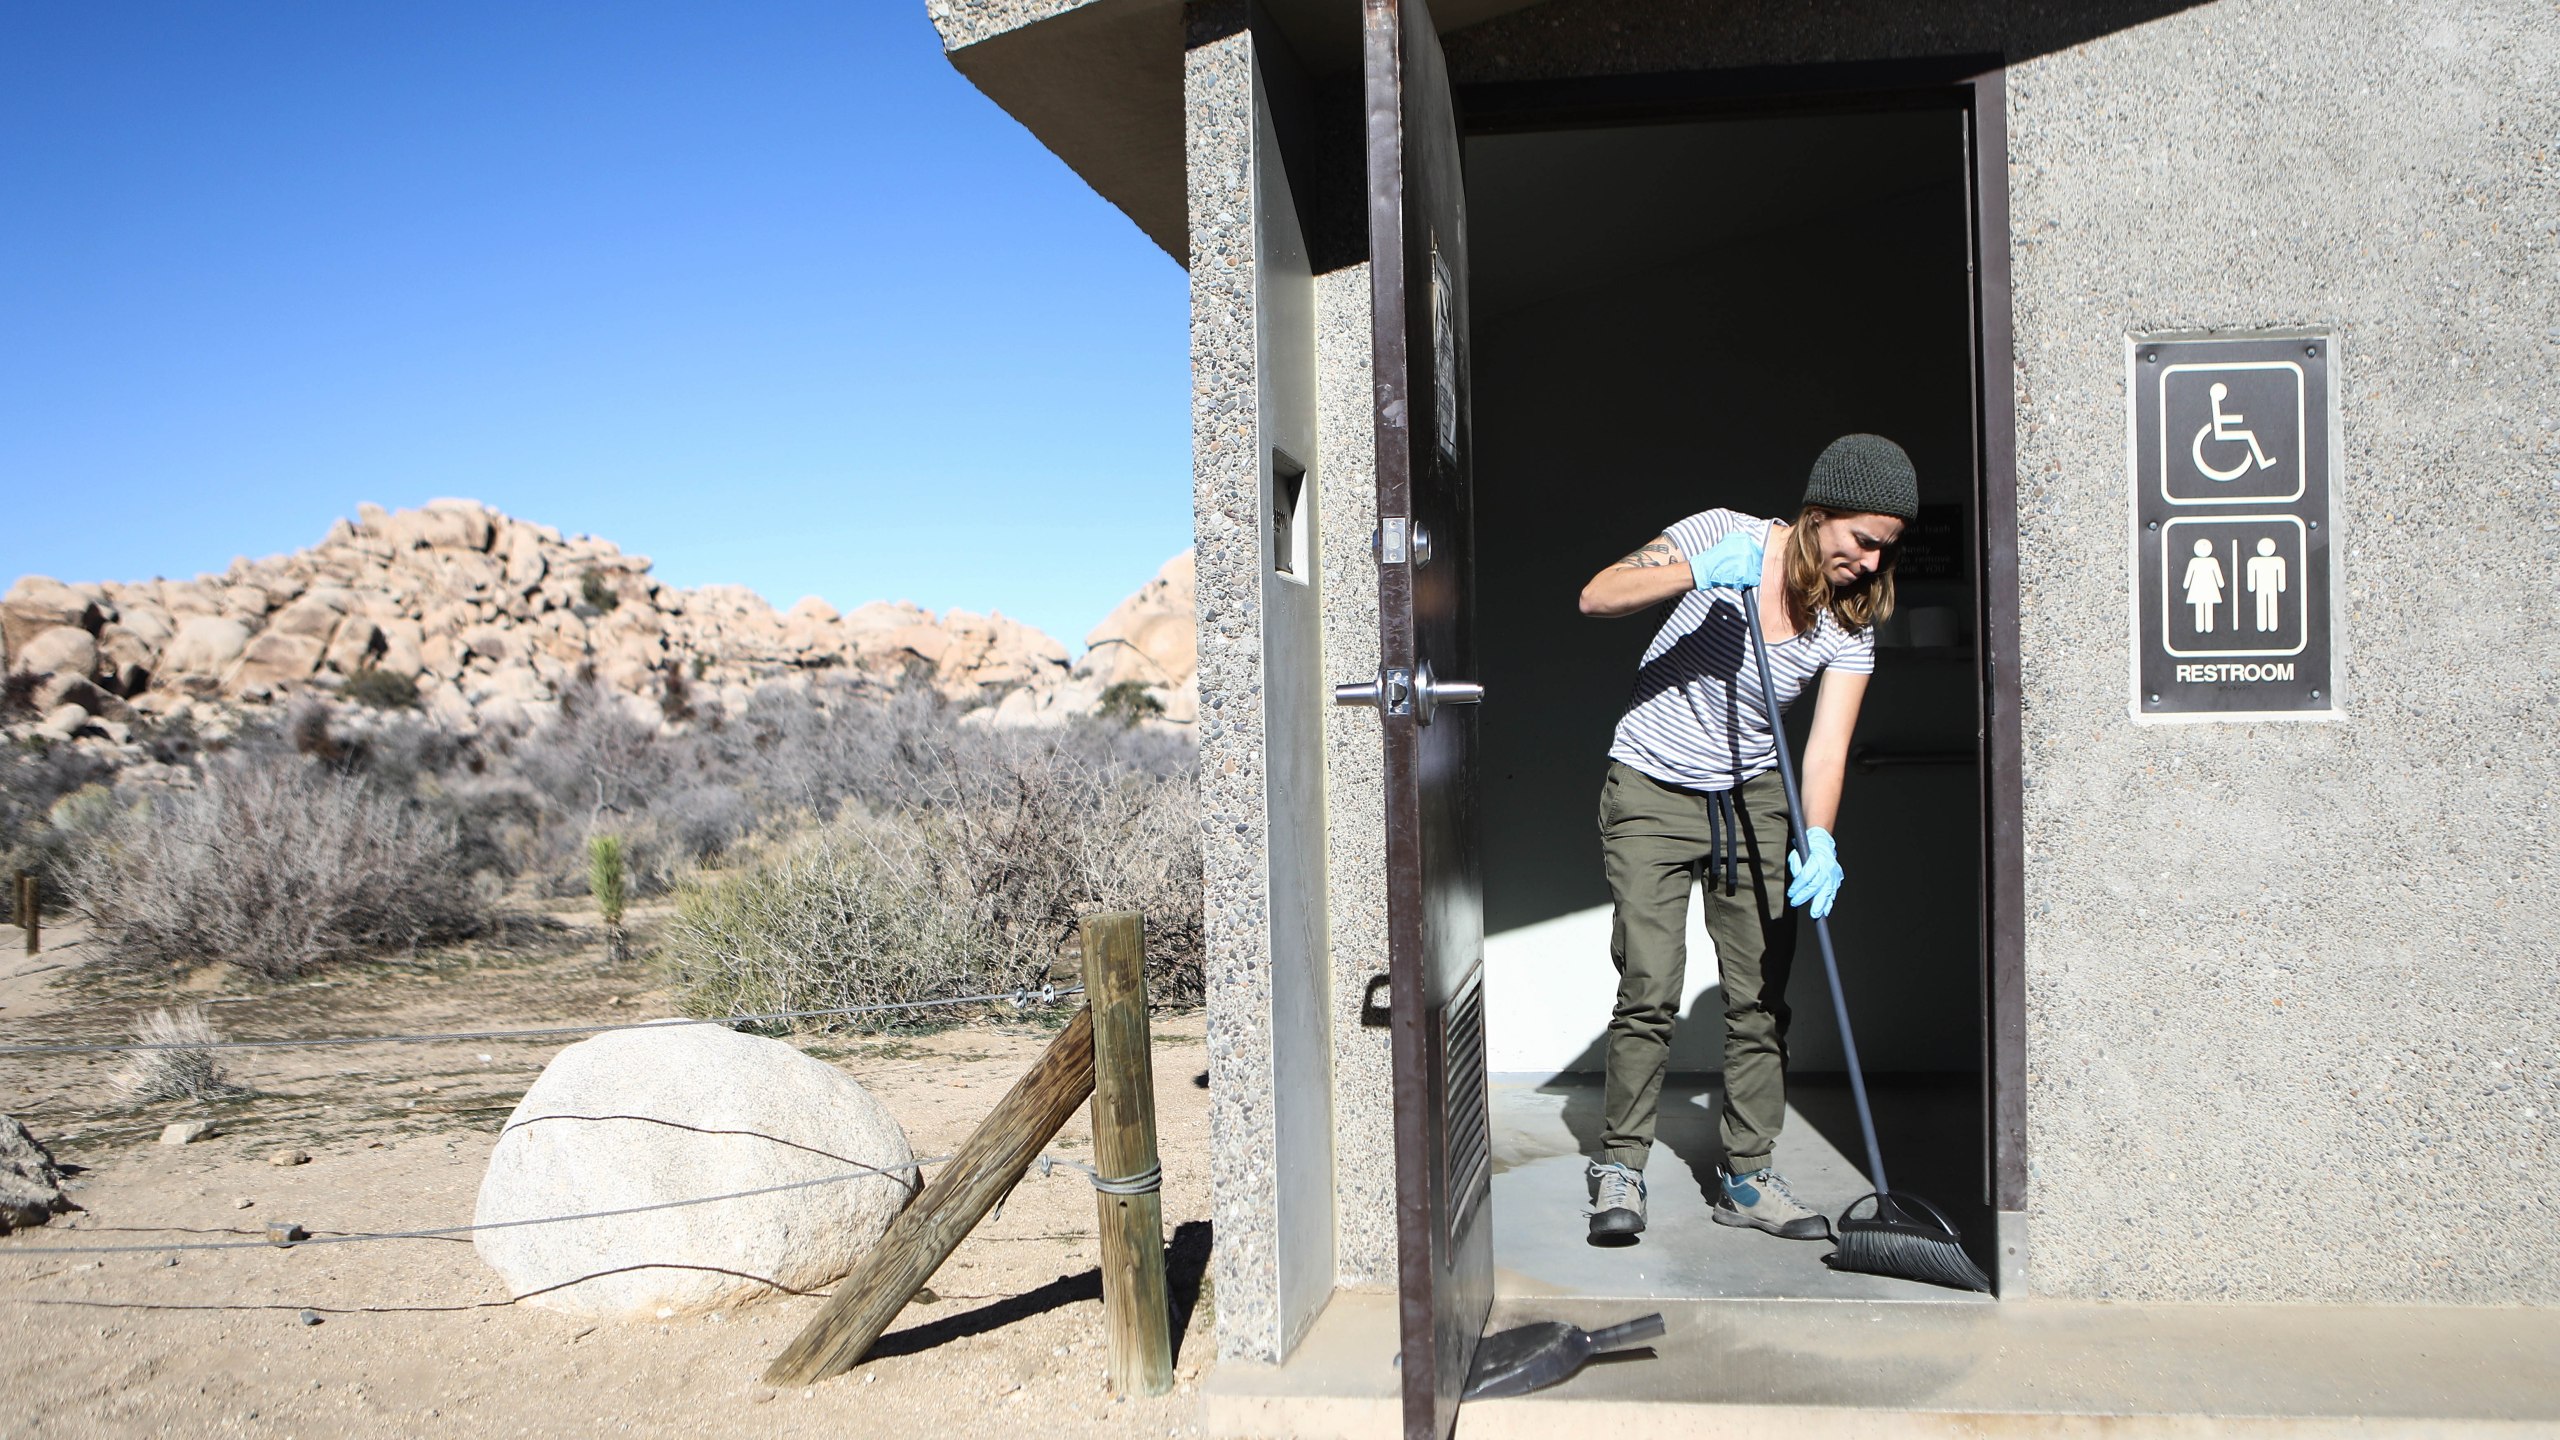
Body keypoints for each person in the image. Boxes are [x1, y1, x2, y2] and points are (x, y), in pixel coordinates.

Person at [1573, 433, 1914, 1244]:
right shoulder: (1720, 534)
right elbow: (1595, 595)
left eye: (1884, 551)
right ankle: (1620, 1163)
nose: (1870, 563)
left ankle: (1748, 1178)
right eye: (1861, 540)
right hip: (1652, 785)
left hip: (1755, 796)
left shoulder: (1850, 622)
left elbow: (1825, 748)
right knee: (1651, 983)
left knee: (1760, 995)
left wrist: (1820, 839)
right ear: (1818, 513)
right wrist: (1697, 573)